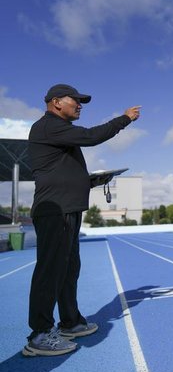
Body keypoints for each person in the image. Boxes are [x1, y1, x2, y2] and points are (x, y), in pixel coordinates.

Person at [24, 84, 141, 357]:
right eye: (75, 100)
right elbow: (90, 136)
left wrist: (92, 181)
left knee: (68, 269)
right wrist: (124, 120)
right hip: (55, 211)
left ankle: (70, 322)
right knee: (50, 271)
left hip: (68, 208)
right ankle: (39, 335)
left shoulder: (56, 132)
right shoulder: (48, 126)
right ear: (56, 103)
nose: (80, 105)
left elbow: (60, 174)